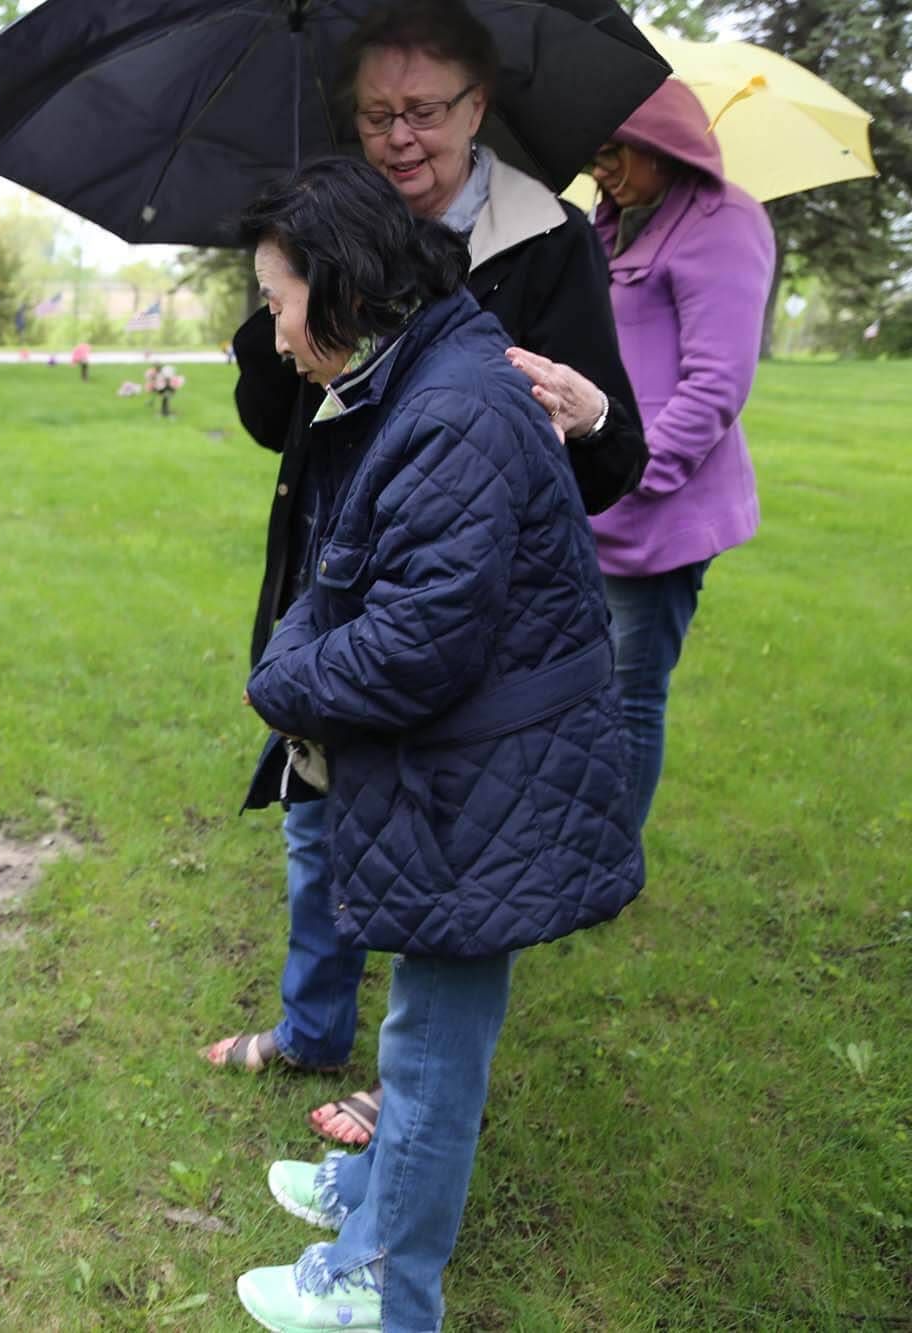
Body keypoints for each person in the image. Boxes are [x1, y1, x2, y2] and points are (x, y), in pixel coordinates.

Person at [211, 0, 649, 1153]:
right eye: (374, 115)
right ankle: (311, 1023)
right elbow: (270, 420)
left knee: (434, 844)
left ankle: (407, 1082)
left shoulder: (544, 241)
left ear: (478, 106)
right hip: (335, 567)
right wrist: (289, 311)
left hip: (457, 603)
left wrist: (587, 410)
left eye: (423, 112)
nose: (399, 137)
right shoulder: (319, 234)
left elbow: (610, 460)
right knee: (314, 816)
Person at [578, 78, 773, 830]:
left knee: (629, 696)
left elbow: (716, 385)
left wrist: (629, 473)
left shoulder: (726, 224)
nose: (601, 171)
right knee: (582, 682)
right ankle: (577, 834)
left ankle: (609, 862)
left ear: (662, 145)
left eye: (612, 154)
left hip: (663, 508)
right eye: (594, 157)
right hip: (602, 491)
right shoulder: (609, 224)